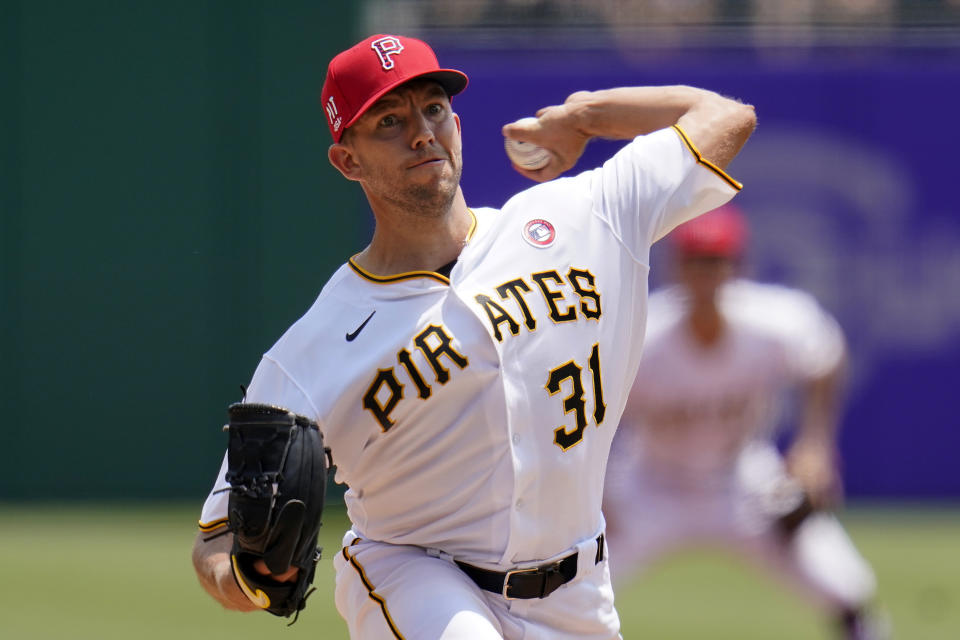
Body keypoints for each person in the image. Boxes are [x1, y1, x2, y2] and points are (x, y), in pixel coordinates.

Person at [191, 33, 755, 639]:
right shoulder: (309, 353)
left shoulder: (584, 218)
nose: (420, 132)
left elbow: (726, 117)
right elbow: (215, 543)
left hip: (578, 590)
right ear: (347, 160)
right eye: (388, 120)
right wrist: (250, 579)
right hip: (414, 572)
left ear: (456, 122)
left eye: (432, 109)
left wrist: (584, 115)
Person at [603, 205, 887, 639]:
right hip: (651, 486)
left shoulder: (773, 321)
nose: (707, 274)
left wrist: (814, 445)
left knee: (847, 588)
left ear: (739, 266)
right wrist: (597, 493)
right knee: (565, 594)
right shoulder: (642, 335)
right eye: (696, 261)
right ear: (677, 268)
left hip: (743, 483)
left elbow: (826, 358)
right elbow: (595, 416)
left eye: (717, 261)